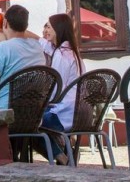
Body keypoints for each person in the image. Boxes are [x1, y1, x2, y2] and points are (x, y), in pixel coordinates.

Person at [35, 13, 85, 165]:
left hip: (63, 116)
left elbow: (56, 91)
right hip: (78, 114)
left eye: (49, 26)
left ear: (58, 29)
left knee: (28, 123)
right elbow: (41, 42)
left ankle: (61, 156)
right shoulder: (71, 52)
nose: (45, 30)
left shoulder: (62, 55)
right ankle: (66, 151)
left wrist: (39, 100)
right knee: (36, 119)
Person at [0, 5, 45, 110]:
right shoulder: (38, 47)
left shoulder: (1, 48)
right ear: (26, 26)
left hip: (2, 114)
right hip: (31, 115)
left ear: (4, 23)